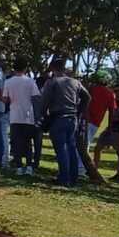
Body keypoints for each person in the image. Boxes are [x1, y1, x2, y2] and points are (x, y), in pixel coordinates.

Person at [39, 58, 88, 187]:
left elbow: (44, 101)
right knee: (71, 147)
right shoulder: (75, 82)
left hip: (58, 117)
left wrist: (43, 115)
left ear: (53, 68)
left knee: (61, 148)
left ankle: (63, 178)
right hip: (72, 119)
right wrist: (79, 111)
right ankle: (73, 177)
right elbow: (87, 97)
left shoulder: (52, 82)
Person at [3, 58, 41, 175]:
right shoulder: (30, 81)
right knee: (27, 142)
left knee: (16, 142)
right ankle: (29, 166)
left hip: (15, 115)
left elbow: (5, 99)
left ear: (14, 68)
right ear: (25, 69)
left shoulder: (8, 82)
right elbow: (36, 97)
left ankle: (19, 166)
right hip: (28, 115)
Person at [94, 86, 119, 181]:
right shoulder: (112, 100)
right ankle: (94, 169)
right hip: (110, 128)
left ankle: (118, 174)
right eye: (116, 91)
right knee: (98, 148)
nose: (118, 92)